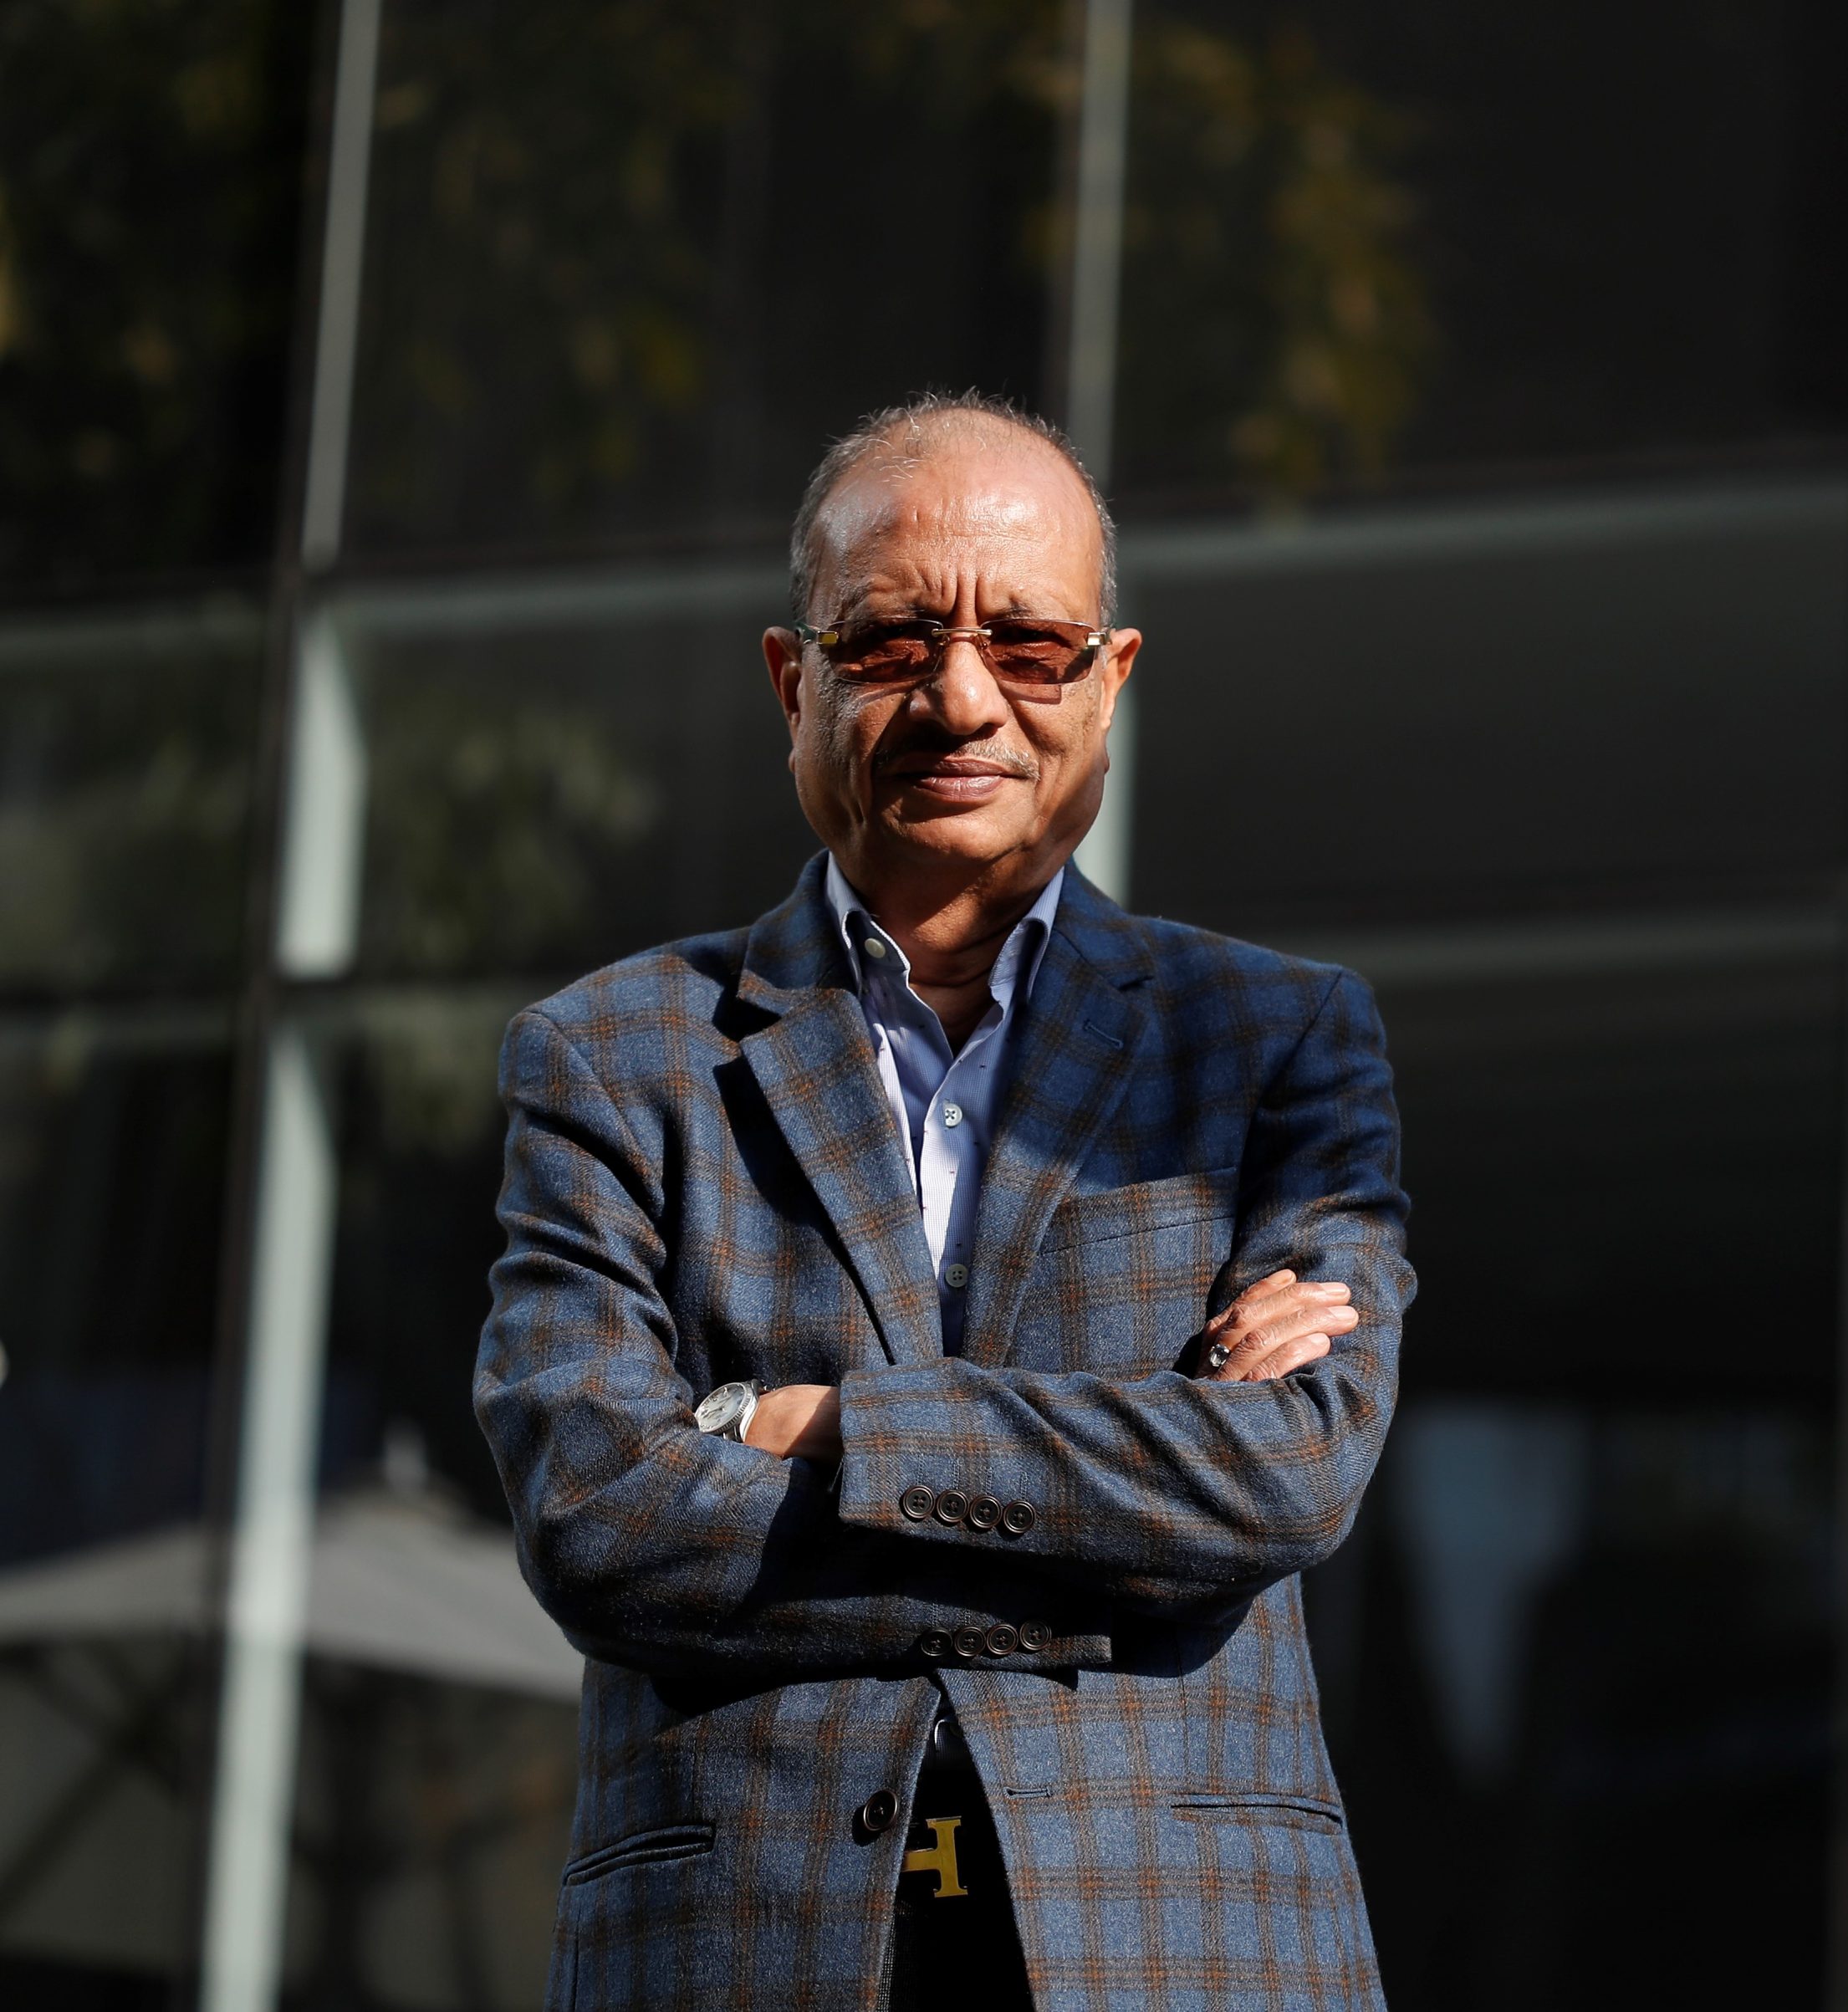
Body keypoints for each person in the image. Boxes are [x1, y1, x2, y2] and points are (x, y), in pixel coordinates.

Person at [476, 389, 1414, 2011]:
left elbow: (1285, 1472)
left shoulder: (1278, 1040)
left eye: (1030, 645)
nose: (962, 698)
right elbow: (597, 1516)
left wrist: (837, 1429)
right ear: (797, 682)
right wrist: (1123, 1515)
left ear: (1109, 682)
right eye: (894, 641)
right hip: (742, 1949)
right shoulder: (609, 1058)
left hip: (1181, 1946)